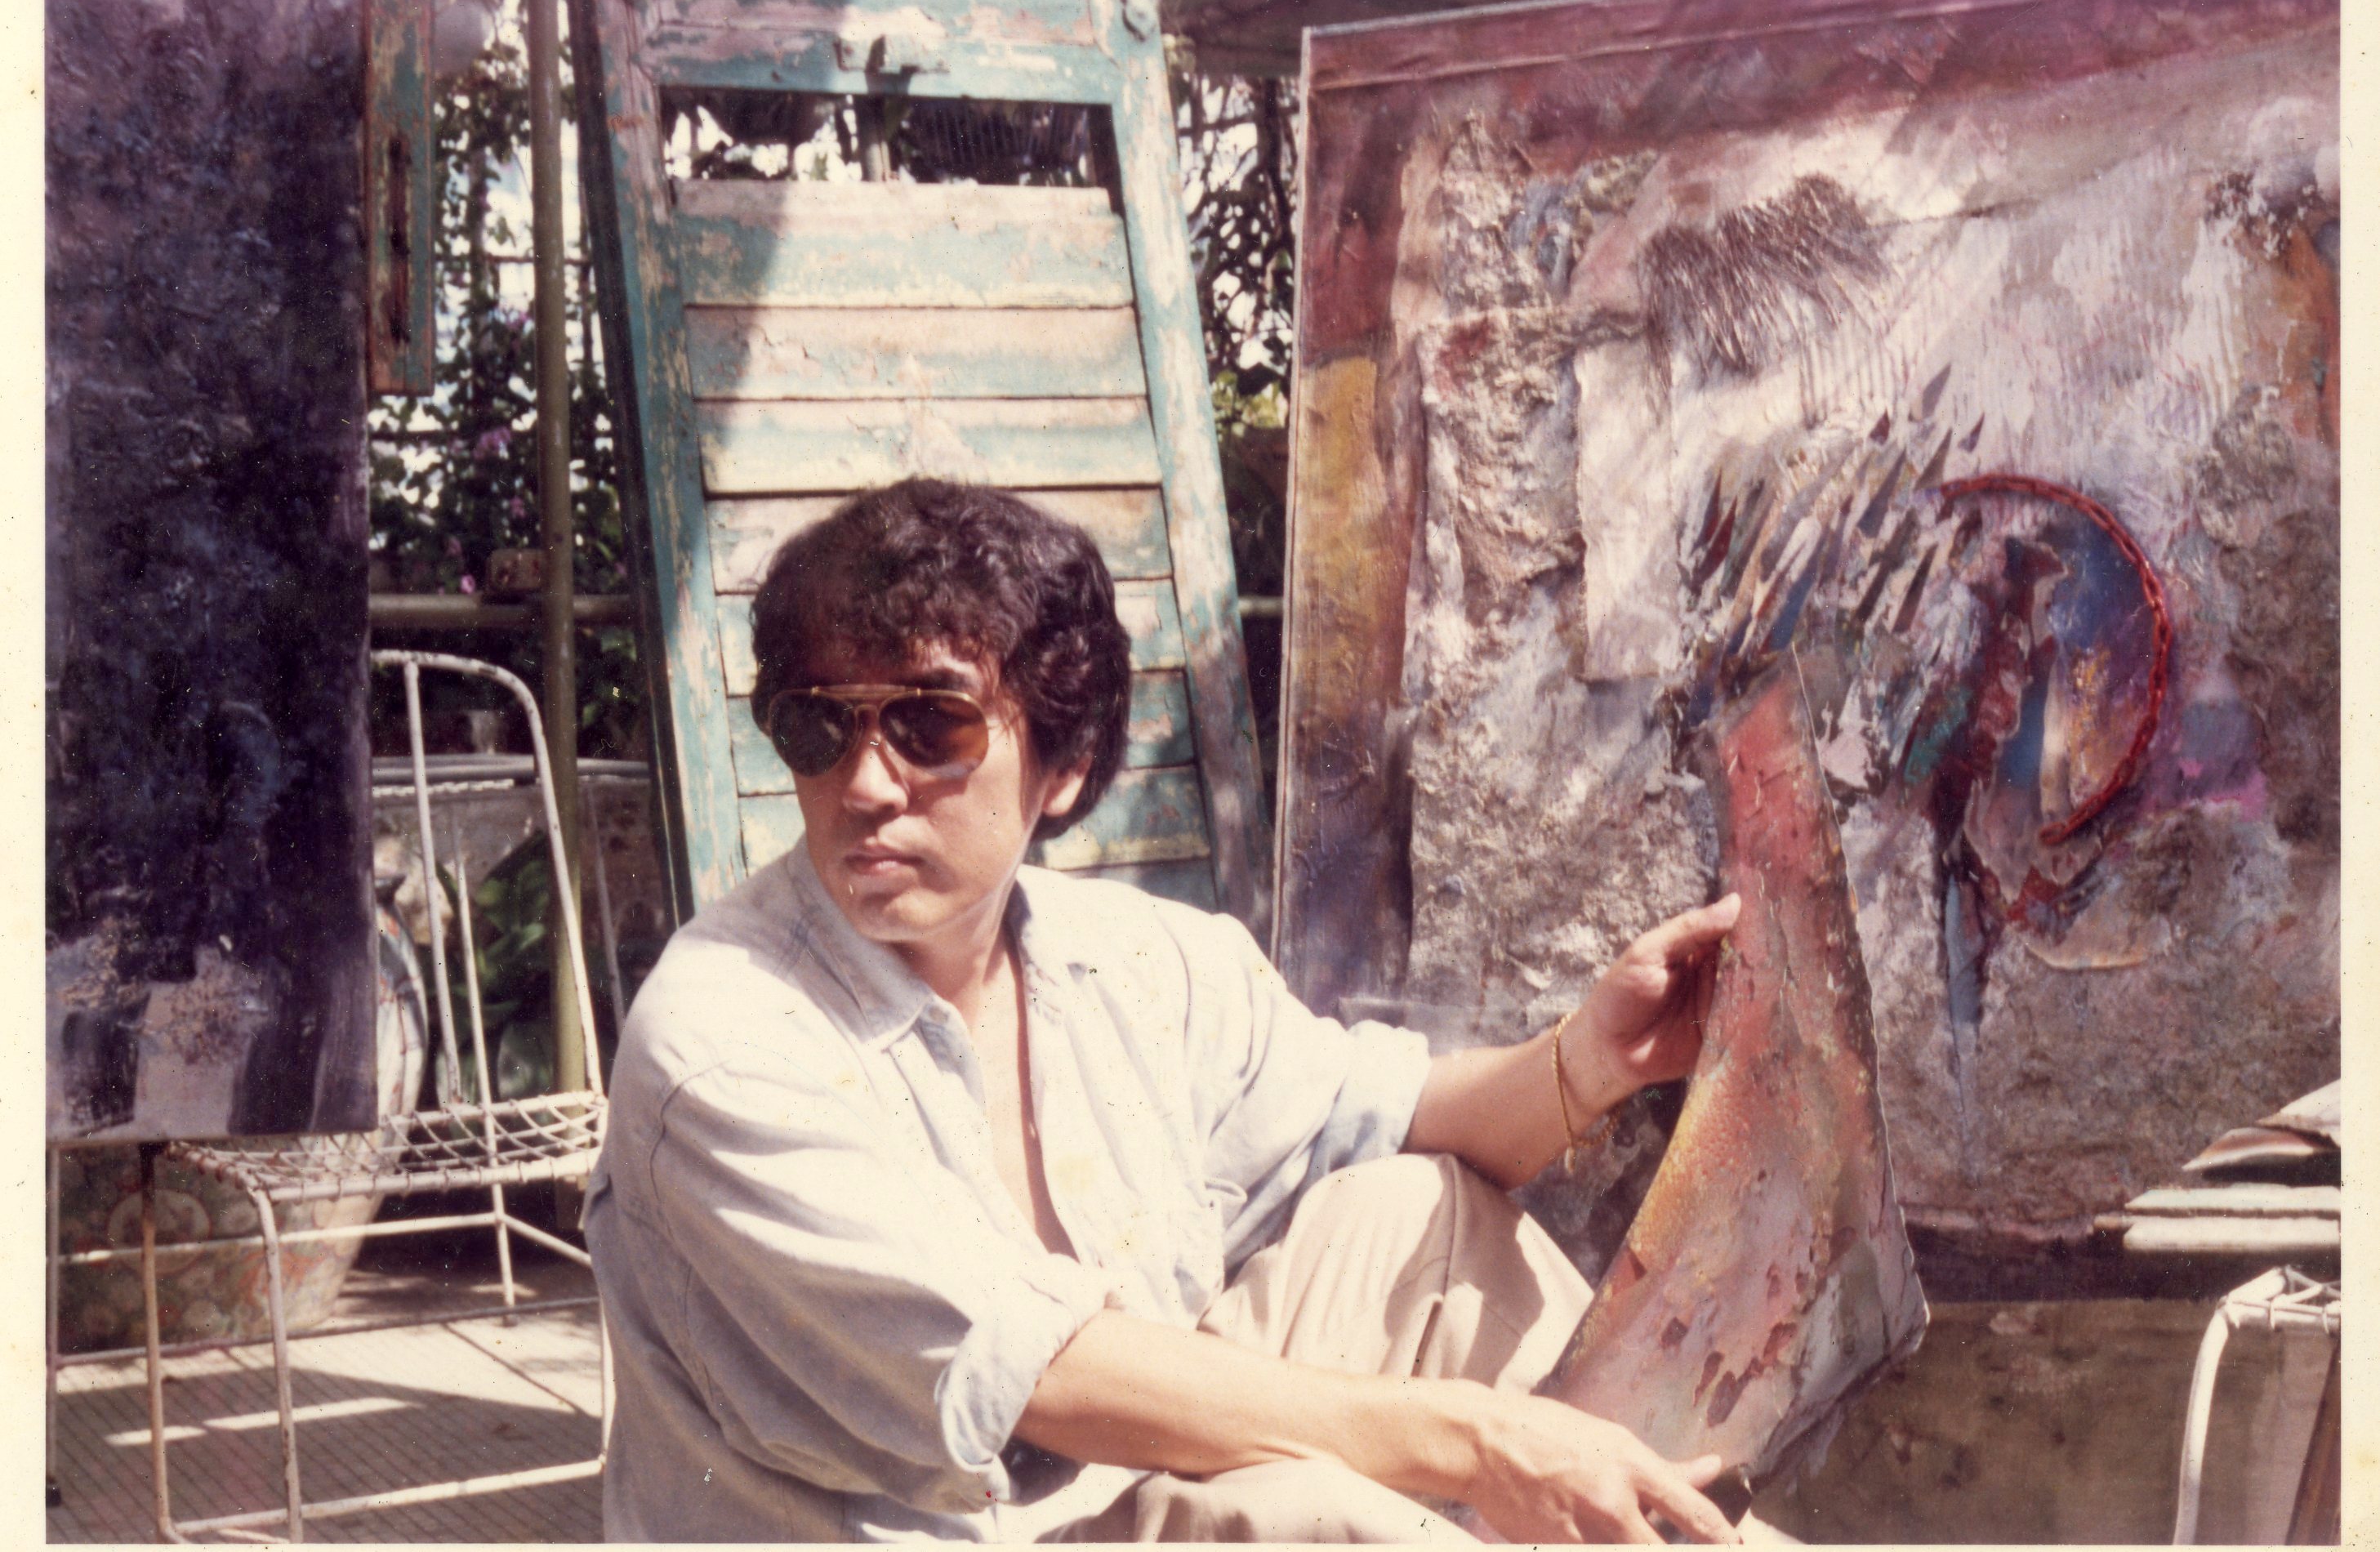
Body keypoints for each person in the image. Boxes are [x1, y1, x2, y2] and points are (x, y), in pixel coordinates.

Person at [586, 479, 1745, 1543]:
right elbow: (1039, 1375)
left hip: (1097, 1506)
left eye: (930, 727)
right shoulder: (721, 1037)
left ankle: (1679, 1516)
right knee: (1308, 1515)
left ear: (1064, 769)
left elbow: (1399, 1115)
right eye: (818, 726)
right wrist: (1479, 1440)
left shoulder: (1137, 961)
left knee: (1417, 1212)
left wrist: (1593, 1057)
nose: (864, 783)